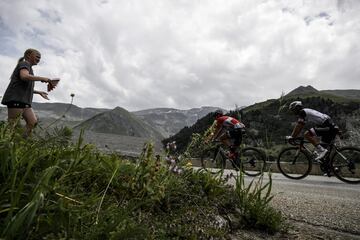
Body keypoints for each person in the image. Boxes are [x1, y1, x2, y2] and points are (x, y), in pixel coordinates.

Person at [1, 48, 59, 136]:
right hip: (16, 100)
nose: (39, 59)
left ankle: (20, 142)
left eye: (40, 58)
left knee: (33, 122)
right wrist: (42, 78)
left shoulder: (30, 69)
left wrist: (38, 92)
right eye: (37, 57)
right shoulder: (25, 64)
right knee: (13, 127)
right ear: (28, 55)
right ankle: (10, 144)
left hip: (24, 102)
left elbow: (23, 87)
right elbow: (24, 76)